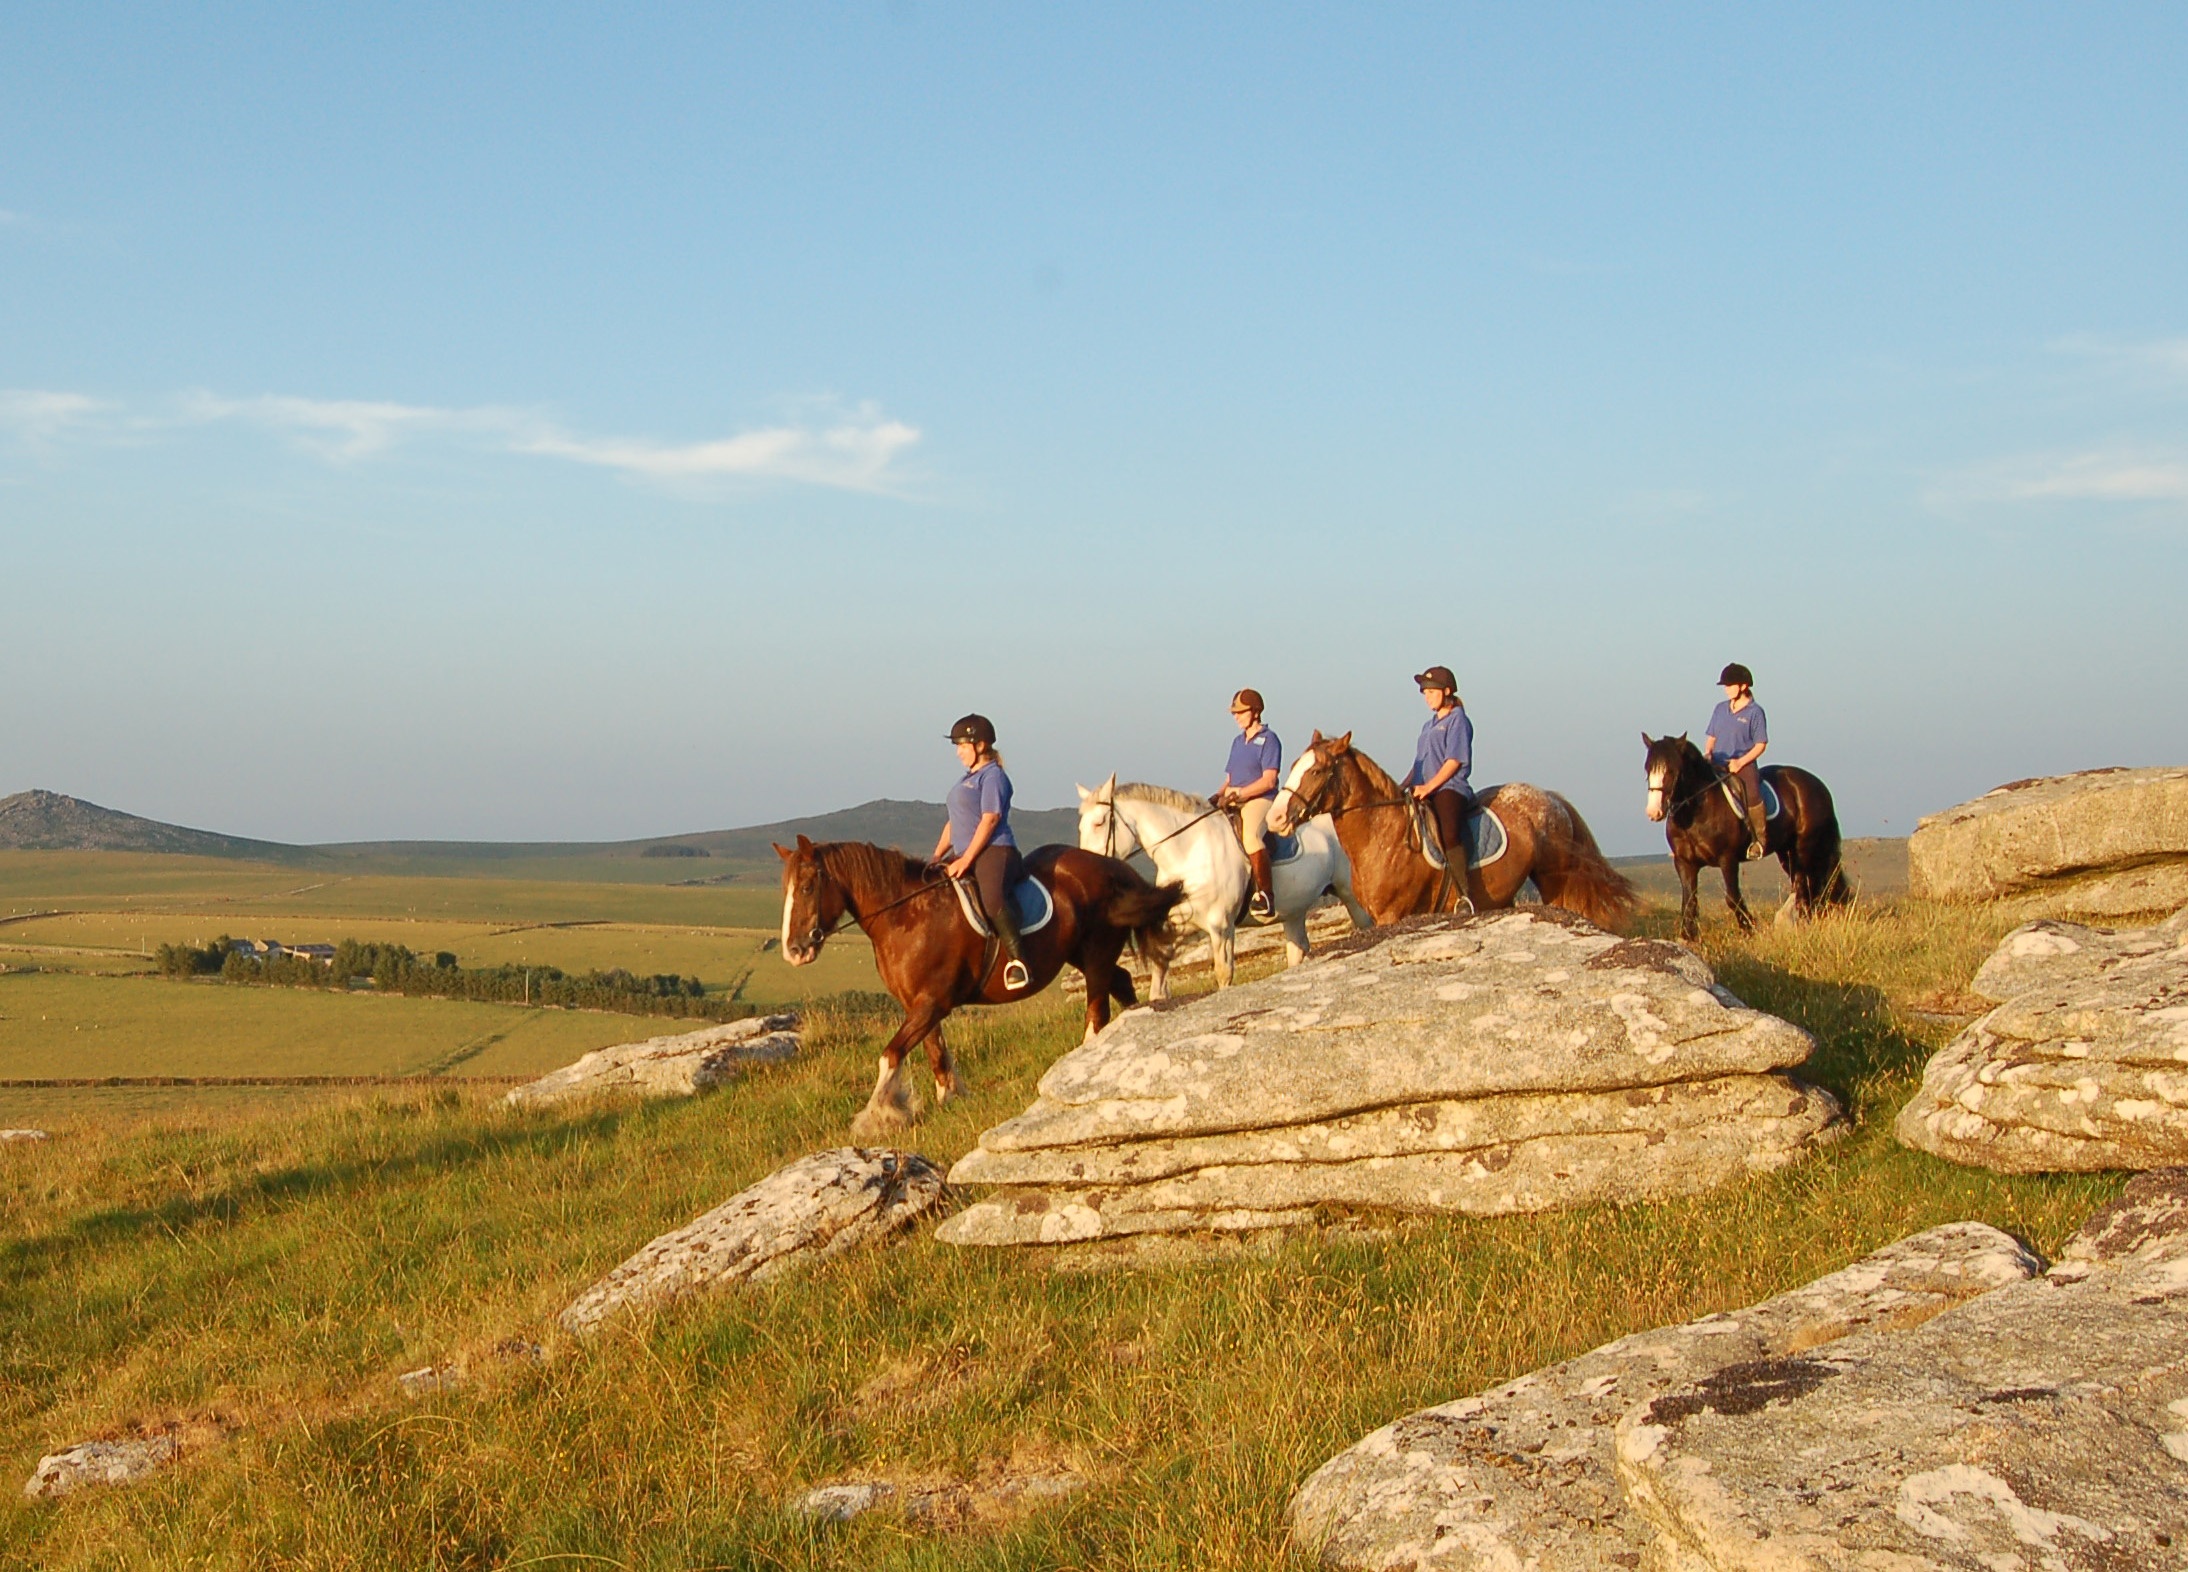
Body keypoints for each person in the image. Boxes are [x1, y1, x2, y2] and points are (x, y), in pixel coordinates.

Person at [931, 714, 1029, 990]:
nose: (959, 753)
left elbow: (990, 819)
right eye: (958, 747)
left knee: (992, 898)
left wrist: (966, 859)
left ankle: (1018, 961)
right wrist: (937, 856)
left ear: (980, 745)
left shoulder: (993, 776)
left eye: (963, 746)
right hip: (966, 853)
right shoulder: (965, 781)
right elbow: (954, 823)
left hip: (995, 851)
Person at [1212, 688, 1282, 919]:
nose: (1236, 716)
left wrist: (1241, 794)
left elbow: (1269, 779)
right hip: (1234, 798)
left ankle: (1265, 896)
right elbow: (1229, 779)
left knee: (1251, 836)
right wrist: (1216, 796)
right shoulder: (1237, 742)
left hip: (1260, 799)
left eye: (1240, 712)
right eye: (1235, 713)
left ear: (1255, 712)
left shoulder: (1269, 740)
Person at [1404, 665, 1475, 858]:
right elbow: (1419, 763)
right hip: (1422, 789)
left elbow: (1454, 761)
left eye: (1432, 692)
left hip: (1448, 788)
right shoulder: (1428, 726)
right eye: (1425, 693)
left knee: (1449, 834)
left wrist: (1428, 788)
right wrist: (1400, 786)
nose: (1427, 697)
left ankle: (1461, 886)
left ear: (1447, 692)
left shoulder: (1458, 720)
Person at [1704, 663, 1770, 860]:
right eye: (1725, 686)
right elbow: (1712, 736)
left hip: (1742, 764)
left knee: (1752, 793)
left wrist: (1740, 763)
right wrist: (1707, 752)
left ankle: (1759, 840)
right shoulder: (1720, 709)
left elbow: (1761, 744)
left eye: (1730, 685)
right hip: (1716, 761)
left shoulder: (1754, 712)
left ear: (1743, 686)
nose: (1726, 689)